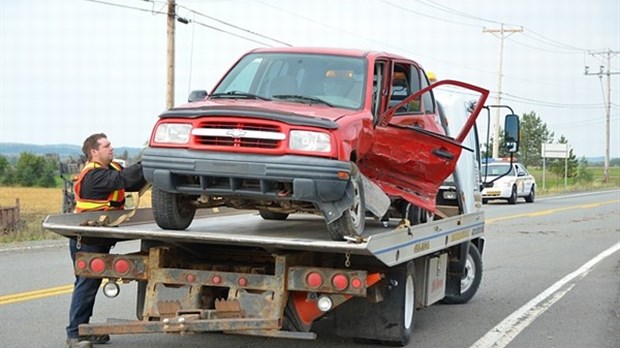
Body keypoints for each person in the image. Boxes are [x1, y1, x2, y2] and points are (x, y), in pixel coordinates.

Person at [66, 133, 146, 348]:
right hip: (87, 239)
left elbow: (132, 181)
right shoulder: (94, 176)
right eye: (106, 146)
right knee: (86, 284)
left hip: (97, 238)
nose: (111, 148)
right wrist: (149, 160)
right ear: (94, 152)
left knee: (90, 283)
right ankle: (75, 334)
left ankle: (84, 329)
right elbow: (124, 180)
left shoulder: (109, 170)